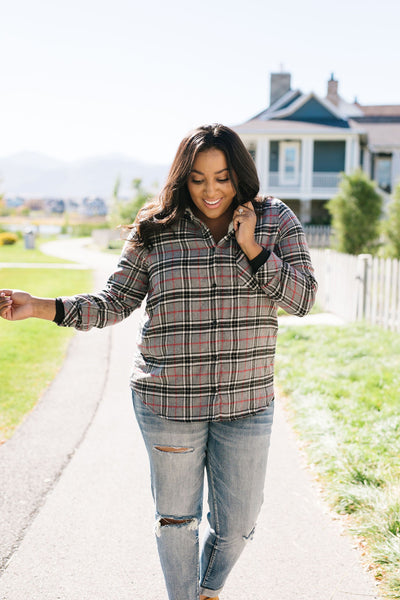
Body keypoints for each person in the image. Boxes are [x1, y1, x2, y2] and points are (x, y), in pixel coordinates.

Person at [0, 124, 317, 600]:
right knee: (176, 521)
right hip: (168, 402)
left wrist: (252, 247)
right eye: (198, 178)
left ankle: (209, 589)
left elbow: (305, 298)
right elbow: (114, 302)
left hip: (247, 401)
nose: (211, 190)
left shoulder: (275, 220)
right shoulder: (156, 227)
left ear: (240, 176)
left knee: (239, 524)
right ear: (182, 179)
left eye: (223, 177)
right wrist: (41, 305)